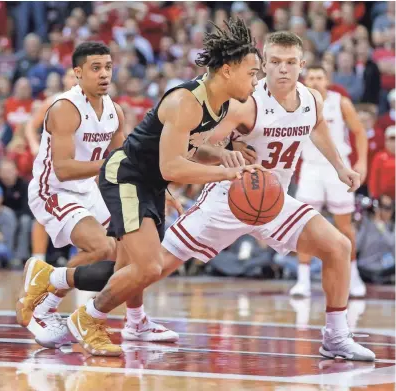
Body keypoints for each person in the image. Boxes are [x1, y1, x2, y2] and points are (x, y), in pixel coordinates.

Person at [23, 30, 375, 361]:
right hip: (217, 196)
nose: (276, 71)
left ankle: (336, 337)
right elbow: (184, 155)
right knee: (145, 267)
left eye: (290, 62)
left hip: (269, 197)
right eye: (268, 65)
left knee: (338, 247)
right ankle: (101, 313)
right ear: (258, 65)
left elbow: (314, 132)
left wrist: (341, 167)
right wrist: (226, 165)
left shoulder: (300, 100)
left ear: (302, 64)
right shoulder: (236, 103)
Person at [17, 19, 262, 356]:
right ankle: (88, 319)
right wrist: (224, 174)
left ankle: (54, 280)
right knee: (148, 266)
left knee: (126, 269)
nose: (256, 79)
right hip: (126, 179)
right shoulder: (186, 100)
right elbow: (171, 165)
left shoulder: (219, 105)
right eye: (252, 72)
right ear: (229, 70)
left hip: (146, 182)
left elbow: (185, 149)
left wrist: (223, 155)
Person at [16, 42, 129, 348]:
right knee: (99, 245)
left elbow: (121, 163)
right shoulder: (64, 108)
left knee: (125, 252)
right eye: (96, 68)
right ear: (78, 73)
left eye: (108, 66)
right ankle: (46, 304)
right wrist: (109, 164)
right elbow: (64, 169)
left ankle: (46, 285)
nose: (104, 73)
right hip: (53, 188)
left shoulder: (115, 111)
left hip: (88, 187)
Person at [291, 65, 368, 298]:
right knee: (303, 225)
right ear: (304, 80)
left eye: (319, 77)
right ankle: (302, 280)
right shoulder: (296, 102)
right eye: (311, 77)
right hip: (311, 168)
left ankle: (353, 276)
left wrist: (361, 162)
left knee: (344, 226)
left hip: (338, 168)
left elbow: (359, 132)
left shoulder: (340, 102)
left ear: (327, 81)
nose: (314, 81)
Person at [24, 68, 78, 264]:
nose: (74, 80)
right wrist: (33, 145)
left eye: (77, 76)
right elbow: (31, 125)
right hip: (51, 165)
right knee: (43, 212)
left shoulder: (92, 105)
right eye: (71, 76)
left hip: (78, 167)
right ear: (64, 79)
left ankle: (79, 259)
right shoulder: (53, 101)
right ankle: (38, 260)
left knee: (82, 211)